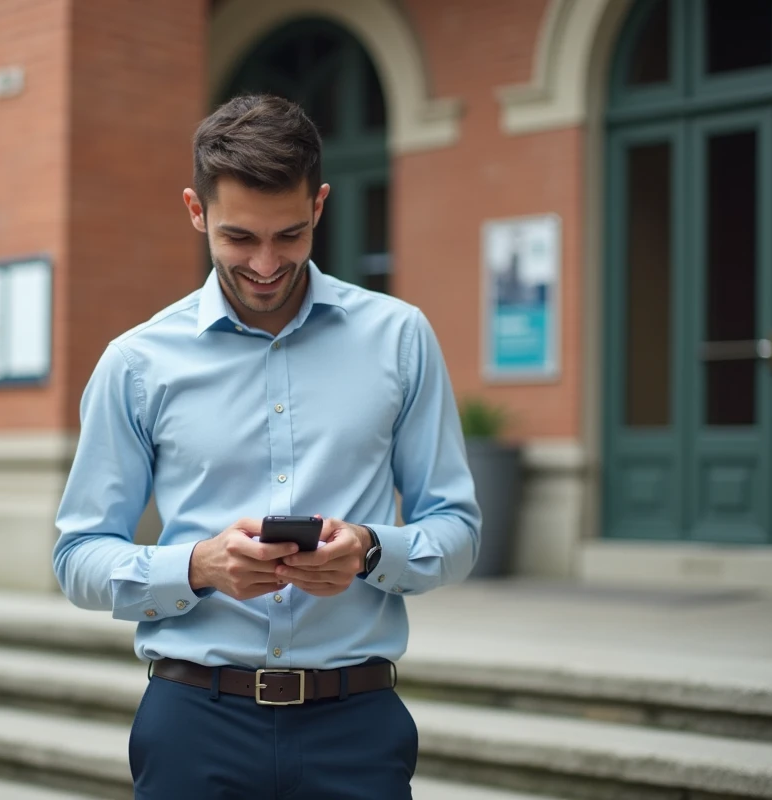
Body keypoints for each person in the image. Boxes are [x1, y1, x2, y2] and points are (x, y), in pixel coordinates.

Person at [52, 94, 481, 800]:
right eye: (238, 238)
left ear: (318, 205)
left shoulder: (400, 338)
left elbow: (457, 530)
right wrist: (198, 566)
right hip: (194, 726)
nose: (265, 263)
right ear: (196, 211)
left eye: (288, 234)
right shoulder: (135, 363)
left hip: (358, 726)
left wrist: (371, 551)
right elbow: (77, 558)